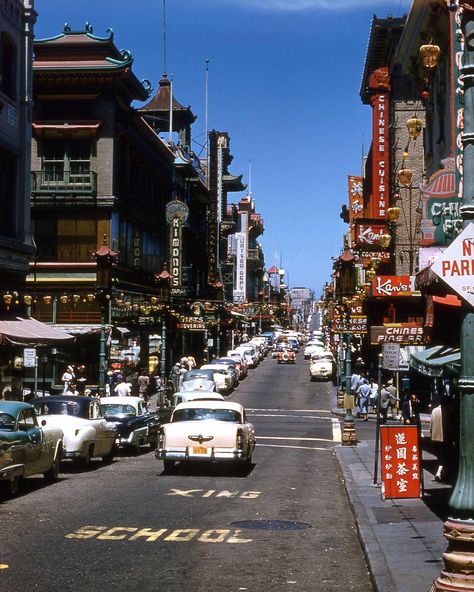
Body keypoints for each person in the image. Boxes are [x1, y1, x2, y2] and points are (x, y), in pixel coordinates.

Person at [430, 404, 445, 482]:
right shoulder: (445, 411)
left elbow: (431, 423)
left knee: (439, 455)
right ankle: (439, 472)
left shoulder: (434, 410)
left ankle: (441, 472)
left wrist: (431, 433)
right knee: (443, 456)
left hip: (435, 436)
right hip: (443, 437)